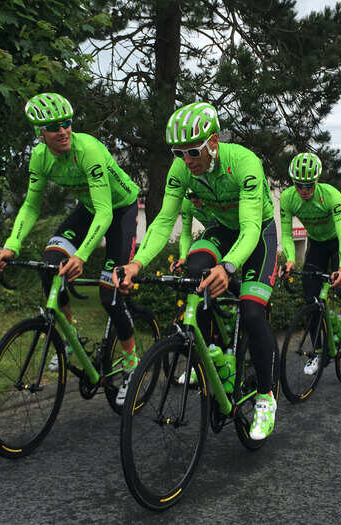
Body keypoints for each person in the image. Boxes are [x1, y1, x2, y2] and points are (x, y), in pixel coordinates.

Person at [115, 101, 279, 440]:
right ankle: (213, 350)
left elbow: (249, 228)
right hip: (221, 228)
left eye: (193, 152)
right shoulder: (181, 169)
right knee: (195, 272)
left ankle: (265, 397)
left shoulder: (244, 163)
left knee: (251, 312)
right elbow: (162, 222)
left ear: (213, 143)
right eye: (179, 153)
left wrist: (229, 267)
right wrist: (136, 263)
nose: (188, 161)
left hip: (257, 233)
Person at [0, 92, 140, 406]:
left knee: (108, 294)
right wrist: (10, 246)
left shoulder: (89, 150)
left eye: (67, 123)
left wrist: (82, 255)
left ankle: (132, 365)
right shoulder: (40, 158)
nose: (63, 130)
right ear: (39, 134)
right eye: (54, 126)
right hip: (88, 208)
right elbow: (30, 206)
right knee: (50, 263)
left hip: (119, 211)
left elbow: (106, 212)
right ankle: (71, 339)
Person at [278, 152, 341, 375]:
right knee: (311, 300)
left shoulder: (331, 195)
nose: (304, 189)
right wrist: (289, 259)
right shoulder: (288, 198)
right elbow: (287, 235)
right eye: (299, 185)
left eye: (308, 185)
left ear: (316, 181)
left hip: (336, 244)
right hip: (315, 245)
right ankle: (317, 350)